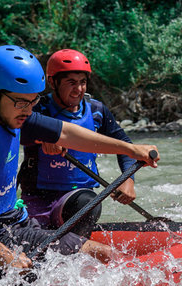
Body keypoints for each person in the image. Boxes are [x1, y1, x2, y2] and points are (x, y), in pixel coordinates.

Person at [0, 45, 159, 281]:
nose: (29, 110)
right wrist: (5, 255)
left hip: (15, 223)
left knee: (103, 256)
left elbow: (67, 133)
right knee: (101, 255)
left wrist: (131, 149)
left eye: (33, 101)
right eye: (22, 102)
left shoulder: (9, 110)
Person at [18, 49, 136, 237]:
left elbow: (123, 144)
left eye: (82, 82)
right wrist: (41, 139)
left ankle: (74, 248)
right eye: (71, 83)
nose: (79, 89)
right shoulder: (36, 109)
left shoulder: (97, 110)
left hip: (76, 198)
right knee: (30, 238)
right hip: (37, 197)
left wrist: (127, 180)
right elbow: (15, 134)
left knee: (89, 203)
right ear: (52, 82)